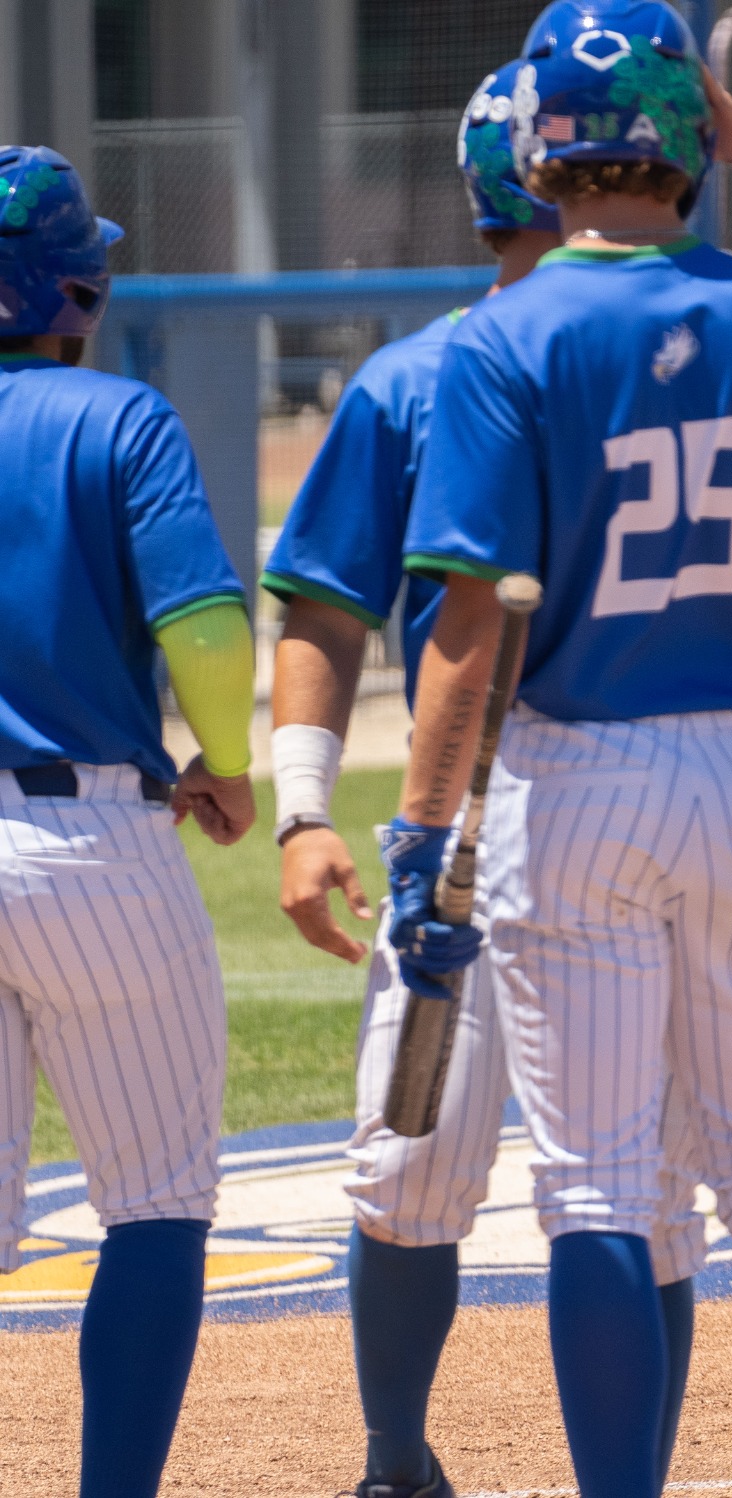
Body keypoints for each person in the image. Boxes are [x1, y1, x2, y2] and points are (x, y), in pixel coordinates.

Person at [260, 33, 732, 1498]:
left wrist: (377, 824)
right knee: (721, 1170)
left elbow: (432, 620)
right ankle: (404, 1455)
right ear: (677, 139)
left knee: (565, 1191)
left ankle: (578, 1471)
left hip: (538, 795)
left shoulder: (492, 352)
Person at [0, 146, 256, 1497]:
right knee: (155, 1201)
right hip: (91, 847)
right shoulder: (118, 420)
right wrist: (225, 762)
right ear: (72, 288)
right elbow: (204, 623)